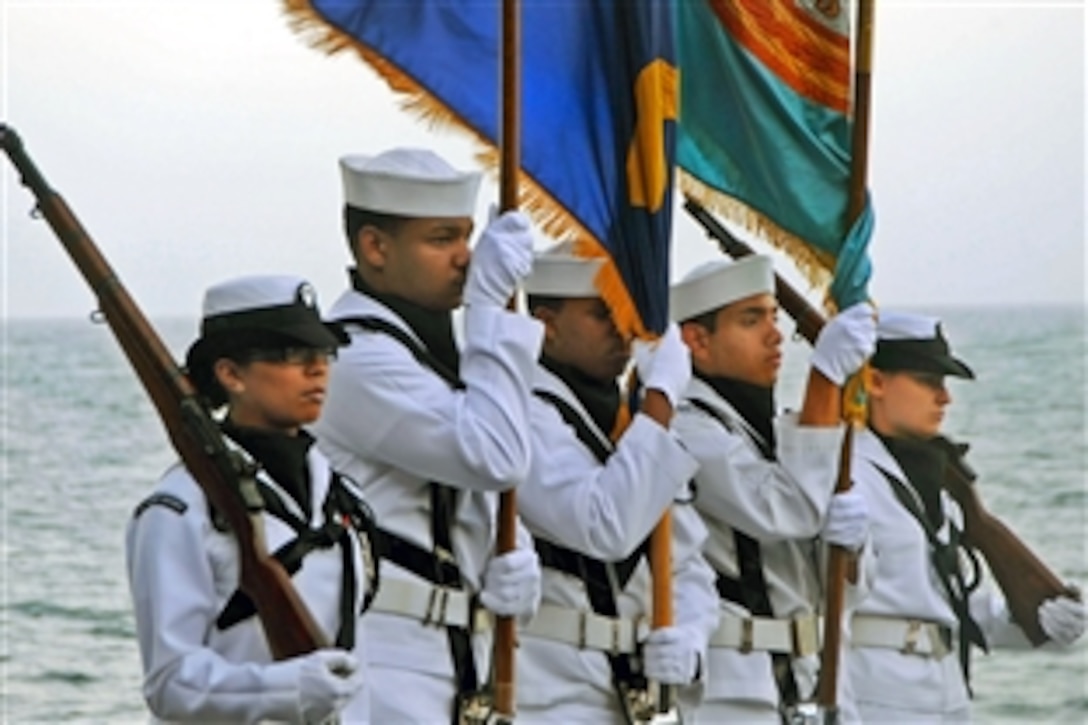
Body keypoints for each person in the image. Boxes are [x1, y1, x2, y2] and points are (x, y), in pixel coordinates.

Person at [312, 148, 544, 723]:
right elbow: (494, 455)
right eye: (442, 239)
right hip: (385, 659)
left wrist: (516, 559)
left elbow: (483, 481)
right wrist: (489, 308)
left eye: (467, 236)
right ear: (375, 248)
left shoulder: (428, 355)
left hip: (459, 661)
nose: (466, 258)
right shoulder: (353, 358)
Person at [126, 274, 375, 724]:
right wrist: (286, 690)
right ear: (230, 374)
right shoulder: (180, 509)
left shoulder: (343, 497)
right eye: (289, 355)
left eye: (323, 353)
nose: (317, 368)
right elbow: (170, 682)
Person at [512, 244, 719, 723]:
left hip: (634, 698)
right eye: (602, 314)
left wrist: (689, 633)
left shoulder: (626, 419)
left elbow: (686, 562)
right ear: (546, 324)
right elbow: (604, 524)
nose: (623, 330)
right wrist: (662, 398)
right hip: (550, 693)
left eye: (626, 313)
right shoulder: (523, 410)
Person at [844, 311, 1086, 722]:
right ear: (876, 381)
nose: (945, 397)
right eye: (928, 381)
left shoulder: (937, 481)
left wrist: (1027, 618)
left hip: (946, 695)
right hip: (875, 698)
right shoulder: (842, 473)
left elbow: (943, 600)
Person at [669, 256, 876, 723]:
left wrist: (853, 545)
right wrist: (824, 384)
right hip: (733, 687)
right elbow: (783, 509)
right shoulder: (685, 426)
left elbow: (849, 588)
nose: (774, 334)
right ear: (697, 341)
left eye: (773, 317)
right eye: (751, 319)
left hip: (810, 677)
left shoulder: (768, 428)